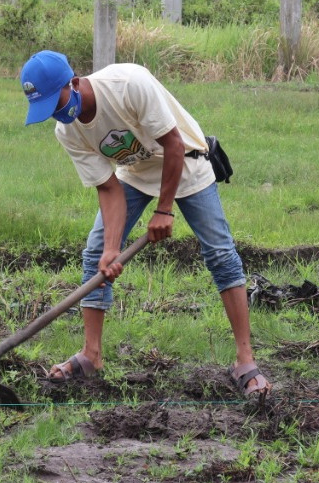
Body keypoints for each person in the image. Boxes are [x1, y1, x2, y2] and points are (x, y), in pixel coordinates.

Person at [19, 50, 270, 397]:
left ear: (74, 83)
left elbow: (173, 144)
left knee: (220, 253)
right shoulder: (68, 132)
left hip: (186, 162)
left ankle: (245, 358)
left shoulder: (127, 84)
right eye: (46, 109)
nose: (56, 114)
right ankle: (91, 355)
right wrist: (111, 249)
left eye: (56, 101)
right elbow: (108, 188)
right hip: (135, 174)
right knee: (95, 254)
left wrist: (164, 210)